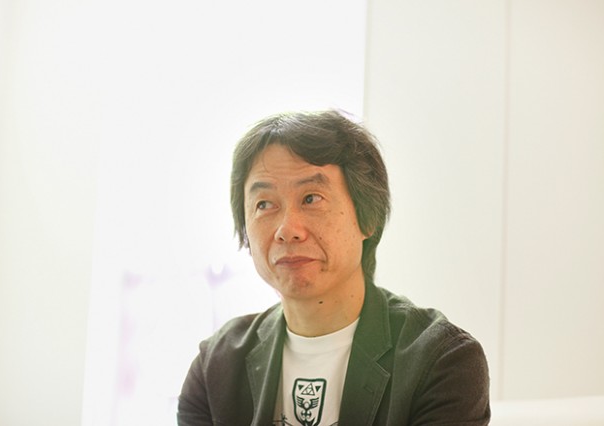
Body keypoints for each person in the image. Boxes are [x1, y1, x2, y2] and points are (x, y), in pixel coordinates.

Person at [178, 110, 490, 425]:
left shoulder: (441, 361)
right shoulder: (215, 369)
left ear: (367, 218)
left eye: (311, 198)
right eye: (264, 204)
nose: (288, 230)